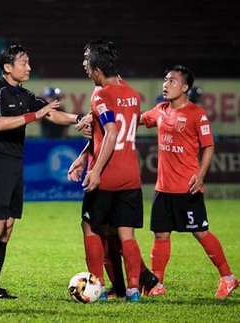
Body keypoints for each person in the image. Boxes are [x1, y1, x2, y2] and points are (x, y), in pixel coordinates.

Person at [0, 44, 80, 299]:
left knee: (8, 225)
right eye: (24, 62)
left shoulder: (25, 95)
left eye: (28, 62)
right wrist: (34, 115)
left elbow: (52, 115)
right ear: (8, 67)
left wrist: (82, 118)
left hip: (14, 162)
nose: (29, 67)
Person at [140, 65, 238, 298]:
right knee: (161, 235)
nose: (166, 84)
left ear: (185, 87)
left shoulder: (197, 114)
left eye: (172, 81)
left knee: (201, 232)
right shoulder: (160, 110)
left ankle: (228, 278)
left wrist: (201, 174)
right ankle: (158, 284)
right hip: (163, 188)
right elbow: (137, 120)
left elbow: (209, 146)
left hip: (187, 186)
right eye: (165, 80)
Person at [67, 38, 145, 302]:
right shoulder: (133, 94)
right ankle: (133, 290)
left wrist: (96, 169)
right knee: (126, 233)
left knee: (90, 227)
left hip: (108, 175)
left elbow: (111, 132)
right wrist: (82, 157)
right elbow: (104, 132)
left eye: (87, 61)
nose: (84, 66)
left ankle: (97, 287)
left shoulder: (100, 94)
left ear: (97, 70)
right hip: (131, 175)